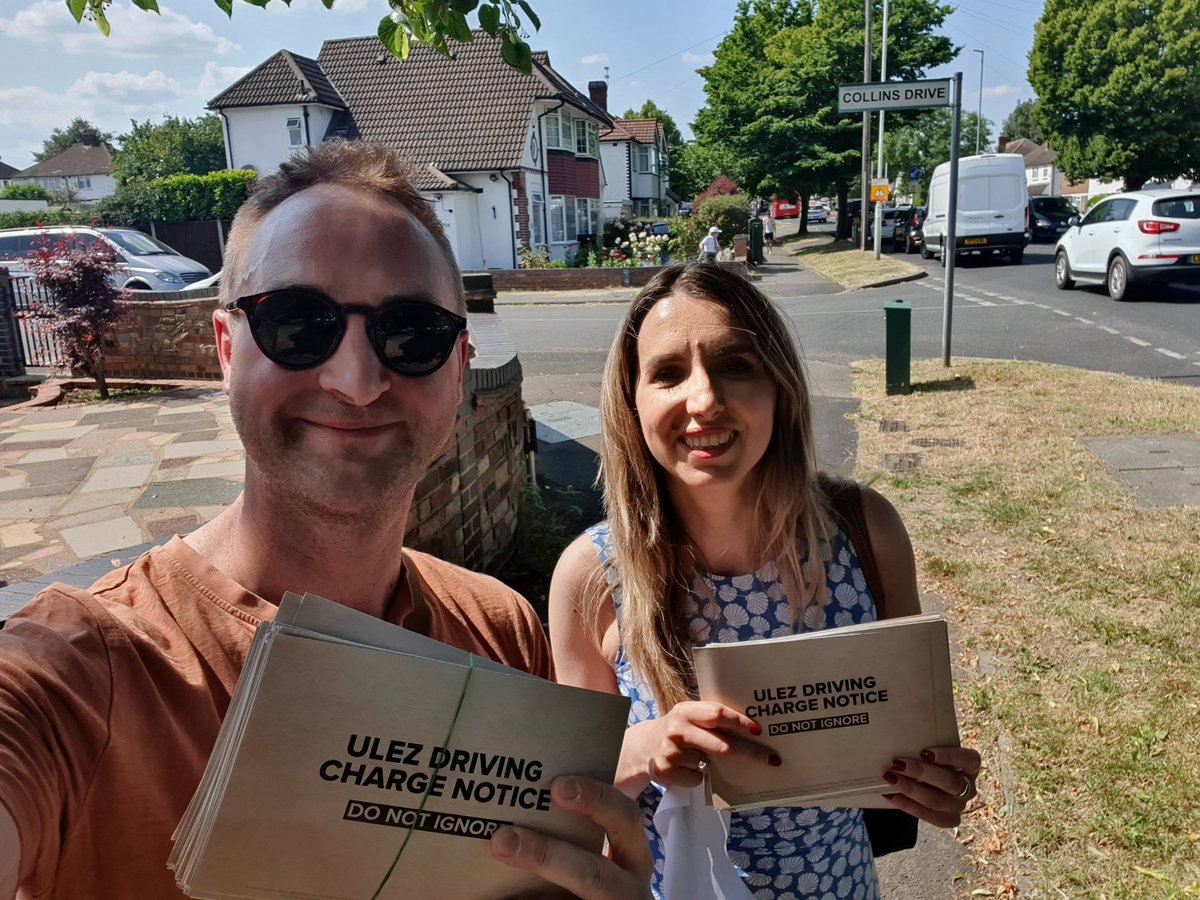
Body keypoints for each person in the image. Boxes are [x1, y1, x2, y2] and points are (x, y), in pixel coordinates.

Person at [0, 141, 652, 900]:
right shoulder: (82, 667)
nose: (356, 381)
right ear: (224, 347)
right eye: (299, 324)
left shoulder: (498, 631)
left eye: (410, 333)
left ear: (458, 362)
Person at [548, 262, 981, 898]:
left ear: (778, 387)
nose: (703, 400)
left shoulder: (865, 532)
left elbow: (914, 738)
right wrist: (649, 745)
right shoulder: (591, 576)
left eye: (735, 364)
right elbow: (574, 792)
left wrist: (942, 785)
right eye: (668, 373)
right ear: (632, 400)